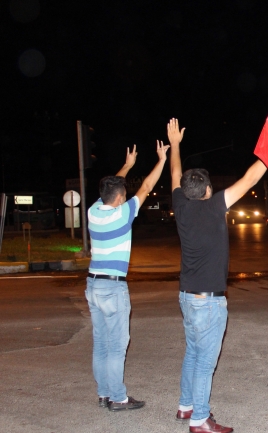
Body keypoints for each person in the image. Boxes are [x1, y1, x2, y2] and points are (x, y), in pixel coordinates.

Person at [168, 118, 268, 433]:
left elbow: (174, 173)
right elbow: (251, 178)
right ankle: (199, 419)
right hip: (208, 303)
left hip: (186, 297)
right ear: (208, 190)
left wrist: (174, 145)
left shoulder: (181, 206)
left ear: (186, 192)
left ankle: (186, 407)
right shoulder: (214, 207)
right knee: (204, 362)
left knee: (193, 352)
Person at [86, 141, 170, 411]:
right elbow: (146, 187)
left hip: (93, 284)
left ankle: (103, 393)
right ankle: (118, 398)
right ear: (121, 198)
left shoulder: (93, 212)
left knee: (101, 342)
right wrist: (161, 160)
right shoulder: (123, 214)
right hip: (113, 288)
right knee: (117, 346)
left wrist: (128, 165)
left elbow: (112, 187)